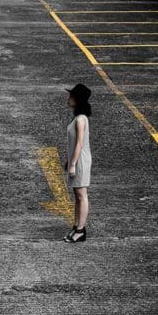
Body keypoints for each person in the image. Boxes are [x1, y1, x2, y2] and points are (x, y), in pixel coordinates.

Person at [63, 83, 92, 243]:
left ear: (77, 99)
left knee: (82, 195)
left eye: (71, 96)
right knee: (77, 195)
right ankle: (76, 227)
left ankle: (81, 230)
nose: (68, 98)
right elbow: (74, 143)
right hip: (77, 159)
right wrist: (68, 159)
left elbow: (80, 143)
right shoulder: (77, 118)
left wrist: (73, 163)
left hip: (80, 160)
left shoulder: (80, 119)